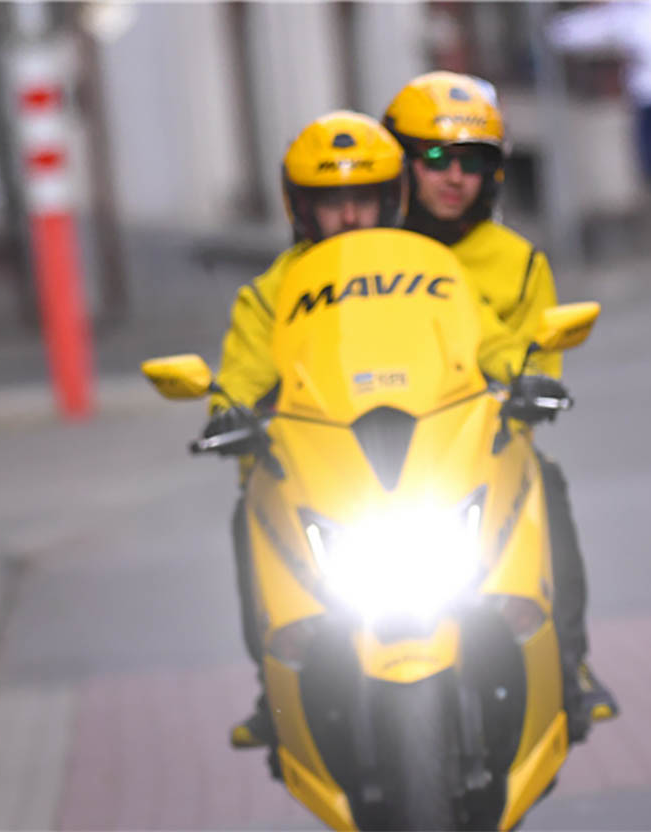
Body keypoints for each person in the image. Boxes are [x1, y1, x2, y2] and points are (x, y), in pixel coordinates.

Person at [382, 70, 619, 742]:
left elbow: (540, 360)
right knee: (260, 505)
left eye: (474, 161)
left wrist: (528, 381)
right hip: (368, 444)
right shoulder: (363, 252)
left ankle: (568, 663)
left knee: (548, 485)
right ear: (400, 162)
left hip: (473, 452)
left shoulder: (518, 261)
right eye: (435, 158)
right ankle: (277, 678)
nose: (454, 176)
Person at [207, 111, 409, 750]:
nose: (349, 216)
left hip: (419, 466)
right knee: (246, 521)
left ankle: (558, 662)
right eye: (331, 202)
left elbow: (478, 341)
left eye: (363, 199)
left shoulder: (427, 275)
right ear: (302, 208)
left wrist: (516, 376)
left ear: (390, 201)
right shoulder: (271, 294)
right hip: (313, 479)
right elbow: (237, 380)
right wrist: (229, 412)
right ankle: (274, 693)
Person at [545, 1, 651, 235]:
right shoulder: (631, 9)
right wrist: (555, 32)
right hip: (648, 97)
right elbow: (599, 26)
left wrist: (647, 55)